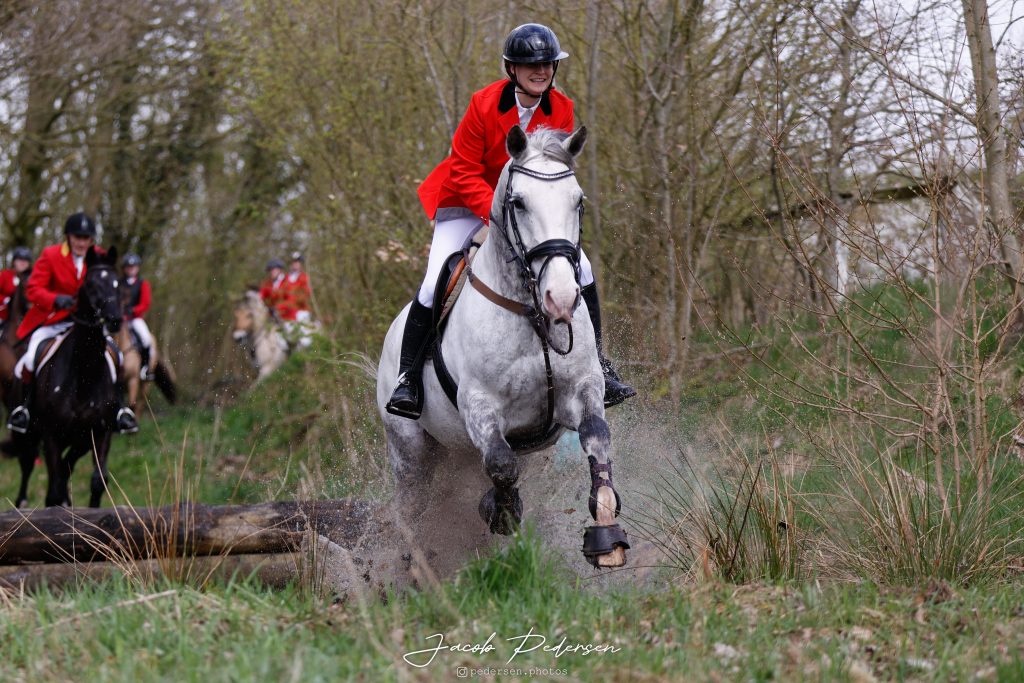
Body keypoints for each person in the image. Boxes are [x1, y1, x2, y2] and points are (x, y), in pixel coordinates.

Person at [386, 23, 635, 419]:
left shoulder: (562, 108)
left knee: (582, 268)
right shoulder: (483, 104)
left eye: (548, 64)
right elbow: (463, 171)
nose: (541, 71)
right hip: (467, 204)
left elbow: (553, 174)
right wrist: (493, 217)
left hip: (527, 213)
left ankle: (600, 364)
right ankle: (408, 380)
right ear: (512, 69)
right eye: (530, 64)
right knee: (435, 282)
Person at [7, 212, 138, 434]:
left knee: (117, 356)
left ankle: (120, 409)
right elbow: (33, 289)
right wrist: (55, 299)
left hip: (89, 326)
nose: (81, 242)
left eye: (86, 238)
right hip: (54, 322)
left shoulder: (99, 257)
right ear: (68, 237)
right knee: (29, 360)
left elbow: (109, 290)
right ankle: (25, 410)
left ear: (91, 240)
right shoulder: (51, 255)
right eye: (77, 237)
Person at [121, 253, 154, 379]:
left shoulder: (143, 284)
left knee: (146, 339)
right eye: (128, 267)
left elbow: (145, 303)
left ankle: (145, 369)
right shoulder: (118, 283)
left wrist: (133, 310)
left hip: (135, 319)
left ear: (137, 268)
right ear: (124, 268)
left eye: (133, 266)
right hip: (119, 319)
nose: (131, 269)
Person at [283, 251, 314, 349]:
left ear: (301, 264)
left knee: (305, 341)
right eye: (293, 262)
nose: (295, 264)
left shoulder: (304, 277)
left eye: (297, 262)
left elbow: (306, 294)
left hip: (301, 311)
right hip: (288, 313)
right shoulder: (286, 278)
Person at [0, 246, 32, 327]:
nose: (23, 263)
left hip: (25, 316)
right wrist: (5, 300)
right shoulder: (5, 275)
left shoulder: (32, 278)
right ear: (14, 261)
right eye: (20, 259)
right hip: (4, 315)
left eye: (26, 260)